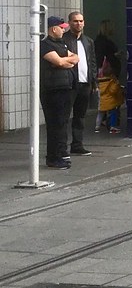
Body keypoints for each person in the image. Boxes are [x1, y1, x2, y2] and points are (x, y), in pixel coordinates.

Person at [41, 16, 79, 169]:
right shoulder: (45, 45)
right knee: (55, 123)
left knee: (62, 122)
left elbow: (75, 58)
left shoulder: (61, 44)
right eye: (61, 27)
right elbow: (60, 62)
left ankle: (62, 152)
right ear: (53, 29)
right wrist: (66, 62)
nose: (64, 30)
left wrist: (66, 62)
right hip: (52, 89)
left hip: (65, 87)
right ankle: (53, 157)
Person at [63, 10, 96, 156]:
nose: (79, 24)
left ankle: (77, 144)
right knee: (64, 116)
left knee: (80, 116)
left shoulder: (88, 41)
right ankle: (61, 147)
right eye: (76, 21)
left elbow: (92, 62)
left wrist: (93, 81)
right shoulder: (64, 40)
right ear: (70, 23)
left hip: (85, 83)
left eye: (81, 21)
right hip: (69, 84)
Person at [96, 59, 125, 133]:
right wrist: (118, 85)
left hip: (102, 101)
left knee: (100, 113)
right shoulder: (111, 81)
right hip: (111, 100)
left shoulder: (101, 81)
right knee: (113, 113)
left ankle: (97, 126)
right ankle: (112, 127)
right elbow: (113, 91)